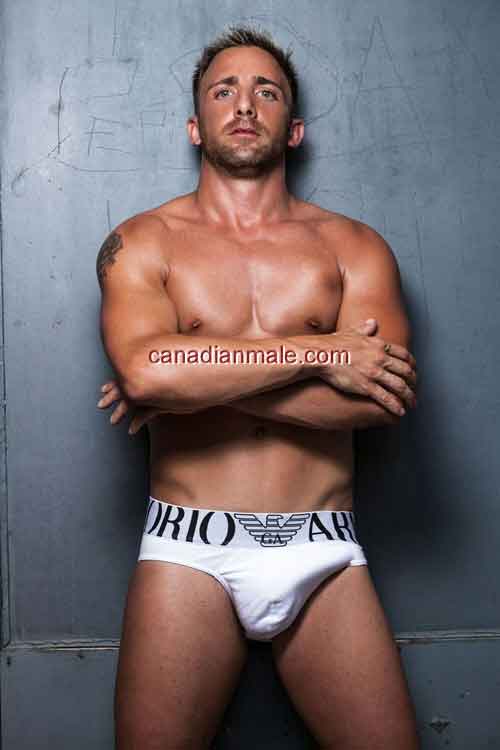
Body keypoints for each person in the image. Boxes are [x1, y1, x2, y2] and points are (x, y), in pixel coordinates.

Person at [95, 24, 420, 750]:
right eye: (224, 91)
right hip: (189, 546)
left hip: (321, 546)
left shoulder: (354, 247)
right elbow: (145, 370)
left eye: (266, 92)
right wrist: (319, 350)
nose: (244, 104)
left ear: (294, 129)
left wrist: (187, 380)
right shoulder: (143, 240)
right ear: (195, 126)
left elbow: (382, 401)